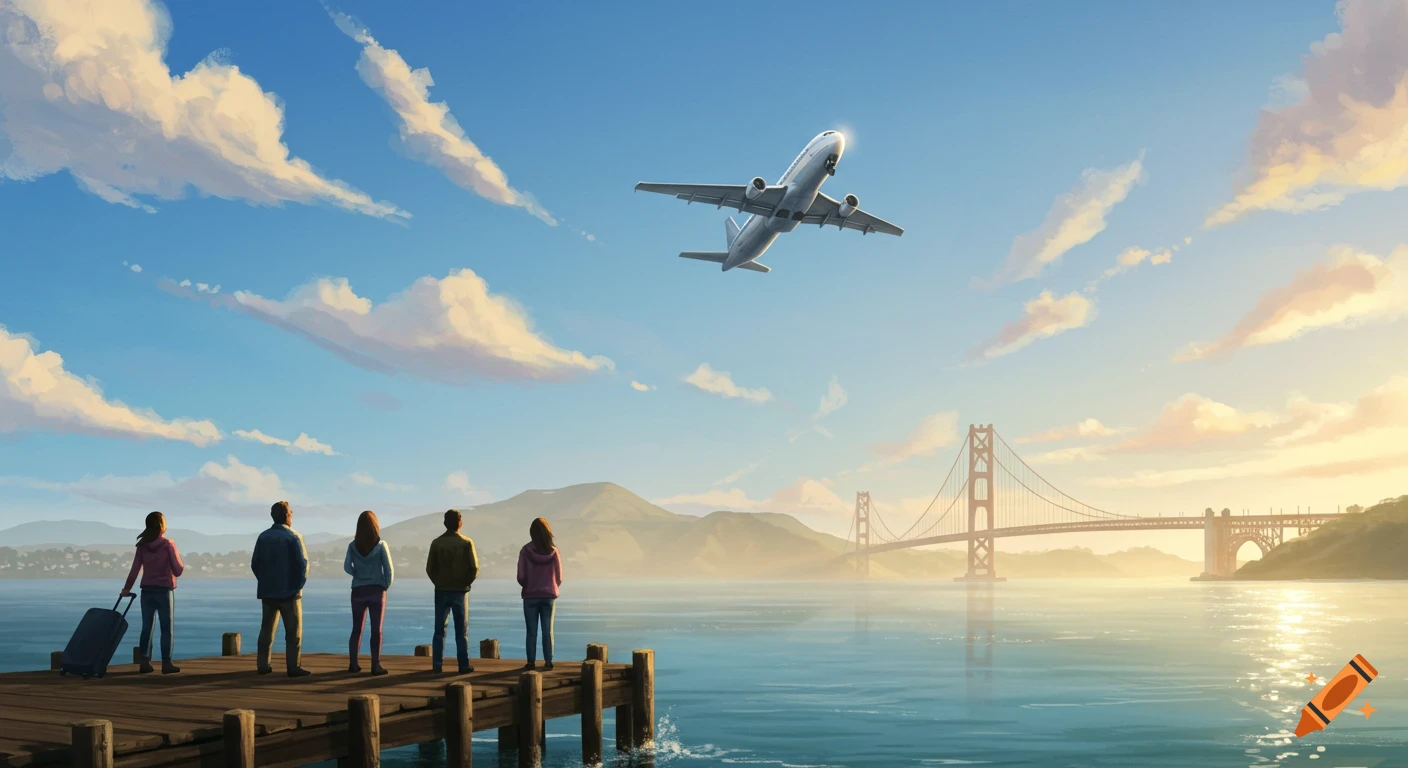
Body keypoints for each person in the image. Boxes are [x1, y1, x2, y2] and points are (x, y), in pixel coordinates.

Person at [251, 500, 311, 677]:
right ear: (286, 515)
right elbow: (303, 566)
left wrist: (265, 580)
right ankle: (293, 666)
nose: (292, 515)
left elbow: (255, 564)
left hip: (268, 591)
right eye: (291, 512)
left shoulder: (263, 537)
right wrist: (297, 586)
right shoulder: (294, 537)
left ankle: (263, 665)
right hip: (290, 593)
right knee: (293, 633)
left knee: (266, 630)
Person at [120, 511, 185, 674]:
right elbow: (177, 570)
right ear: (162, 526)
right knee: (166, 628)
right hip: (164, 590)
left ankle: (144, 661)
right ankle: (166, 663)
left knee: (146, 627)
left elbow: (135, 569)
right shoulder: (168, 544)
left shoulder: (142, 546)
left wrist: (126, 588)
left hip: (147, 591)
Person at [425, 509, 479, 674]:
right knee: (461, 631)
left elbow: (429, 569)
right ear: (460, 523)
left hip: (441, 590)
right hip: (460, 591)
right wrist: (466, 583)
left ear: (444, 523)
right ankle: (463, 664)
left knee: (439, 630)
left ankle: (437, 664)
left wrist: (438, 582)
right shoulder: (466, 543)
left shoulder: (436, 543)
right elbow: (474, 568)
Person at [344, 510, 394, 675]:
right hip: (377, 590)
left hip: (358, 590)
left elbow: (346, 567)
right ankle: (375, 665)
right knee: (376, 629)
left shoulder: (352, 546)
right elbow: (389, 571)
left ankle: (353, 664)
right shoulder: (381, 546)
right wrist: (385, 585)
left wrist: (357, 574)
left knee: (356, 628)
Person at [517, 517, 562, 670]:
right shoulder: (554, 551)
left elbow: (521, 577)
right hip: (549, 595)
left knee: (531, 631)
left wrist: (529, 585)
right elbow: (560, 577)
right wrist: (551, 585)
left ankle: (531, 662)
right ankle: (548, 661)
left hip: (530, 596)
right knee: (547, 630)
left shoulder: (525, 551)